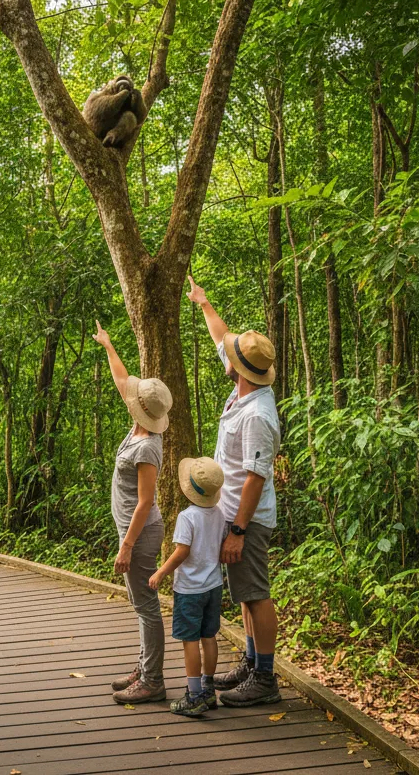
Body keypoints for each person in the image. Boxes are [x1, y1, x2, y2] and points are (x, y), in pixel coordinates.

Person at [186, 275, 282, 706]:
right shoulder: (242, 392)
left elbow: (257, 475)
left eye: (231, 356)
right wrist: (203, 303)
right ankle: (249, 658)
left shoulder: (259, 414)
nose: (224, 353)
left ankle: (265, 678)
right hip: (229, 515)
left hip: (248, 519)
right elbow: (223, 337)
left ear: (238, 369)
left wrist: (238, 530)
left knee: (256, 593)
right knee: (242, 592)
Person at [93, 319, 173, 705]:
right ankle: (145, 666)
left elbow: (145, 501)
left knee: (146, 606)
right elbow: (122, 380)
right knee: (141, 605)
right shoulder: (137, 428)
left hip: (140, 537)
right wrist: (108, 345)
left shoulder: (148, 447)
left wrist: (126, 546)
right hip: (134, 533)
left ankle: (153, 679)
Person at [149, 456, 228, 717]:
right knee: (209, 636)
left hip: (190, 589)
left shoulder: (187, 516)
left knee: (190, 640)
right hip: (213, 585)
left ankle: (194, 695)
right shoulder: (219, 514)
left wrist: (161, 572)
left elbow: (182, 552)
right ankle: (208, 689)